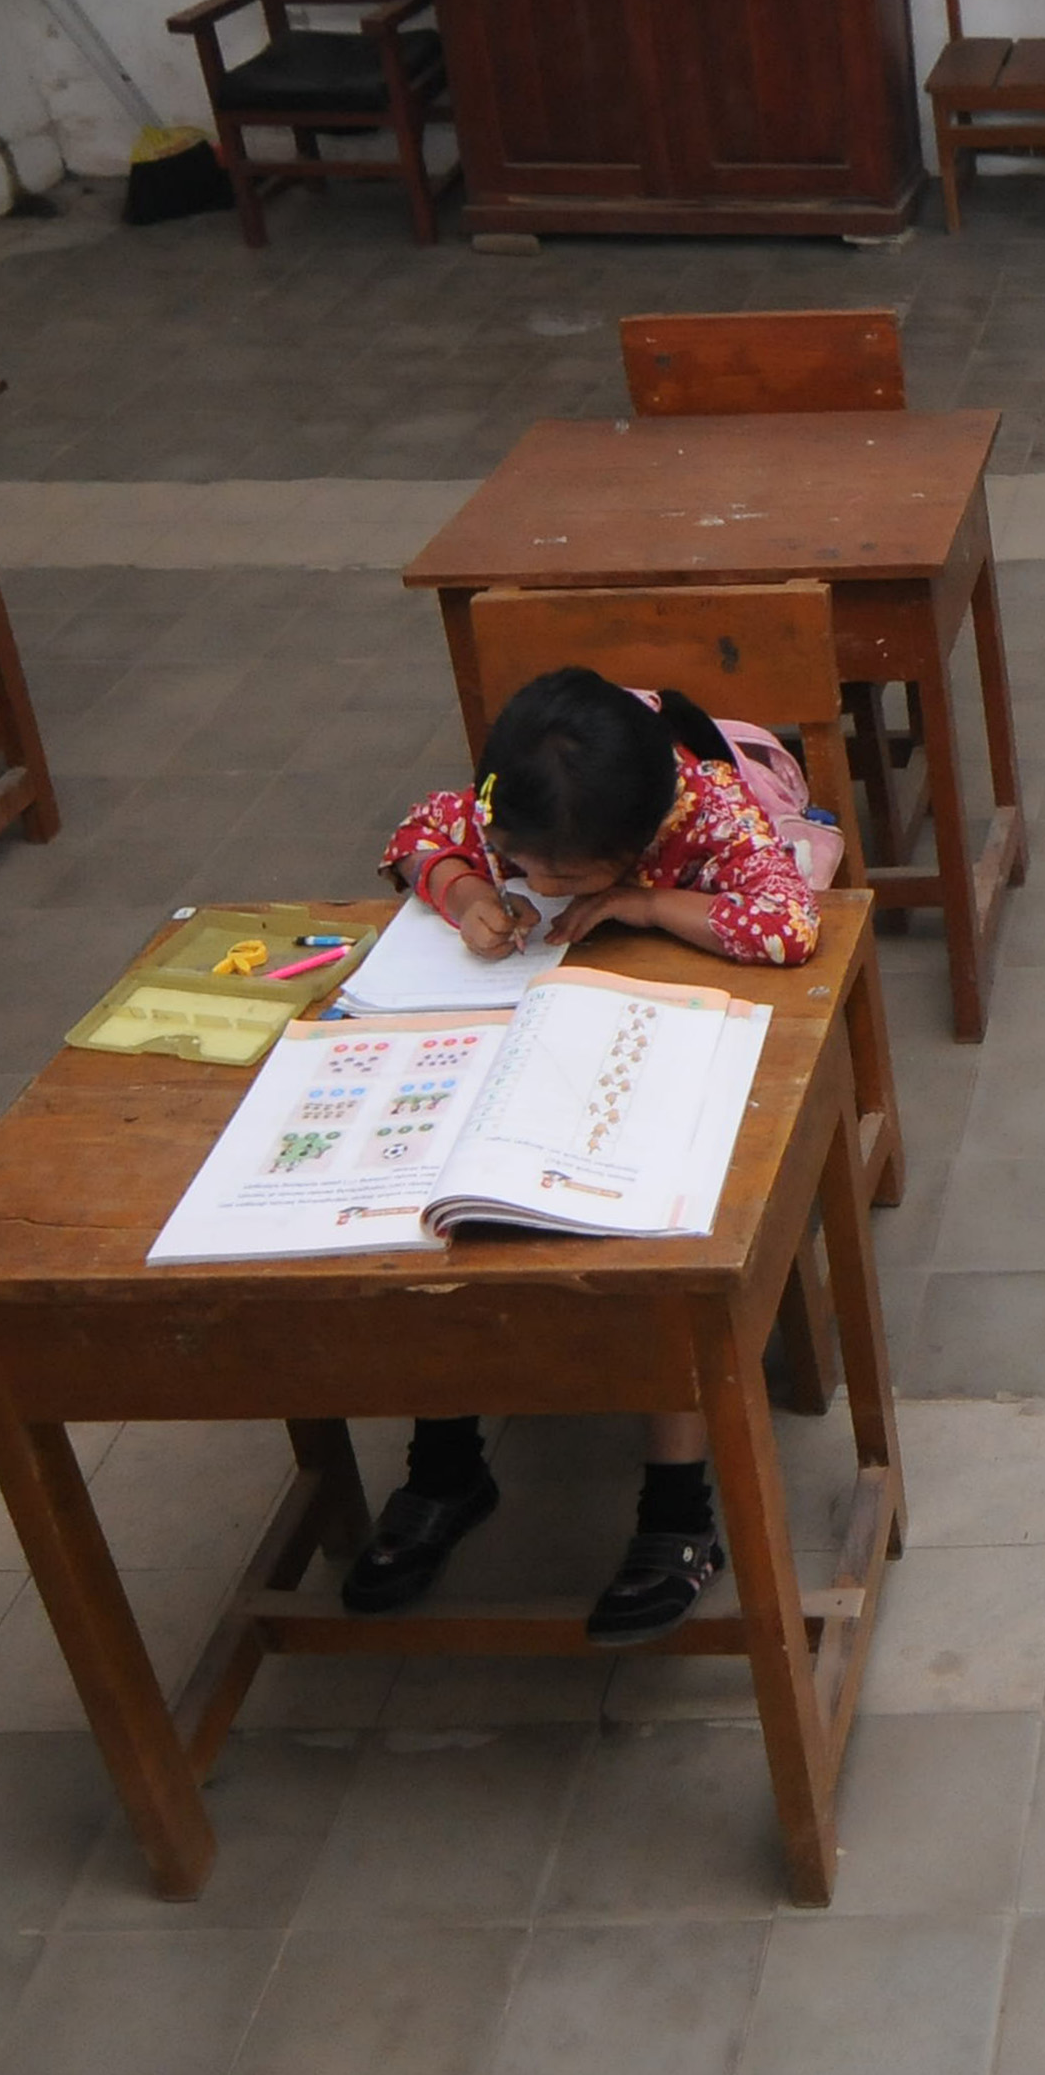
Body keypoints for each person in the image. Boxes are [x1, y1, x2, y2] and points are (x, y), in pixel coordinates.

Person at [348, 668, 824, 1640]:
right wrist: (468, 888)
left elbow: (787, 921)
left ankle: (677, 1504)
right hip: (523, 1032)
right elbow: (416, 833)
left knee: (656, 1232)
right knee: (437, 1203)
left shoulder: (703, 807)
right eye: (534, 869)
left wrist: (647, 910)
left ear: (640, 842)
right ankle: (446, 1461)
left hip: (666, 1039)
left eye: (571, 880)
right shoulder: (513, 804)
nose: (548, 892)